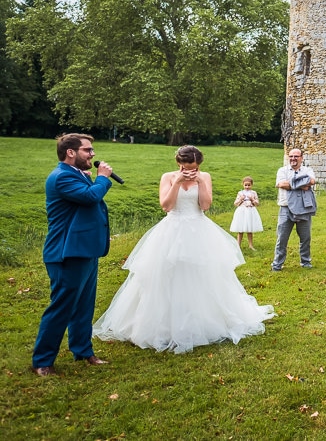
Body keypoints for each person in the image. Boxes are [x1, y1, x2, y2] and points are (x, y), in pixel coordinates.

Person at [93, 146, 274, 354]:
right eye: (186, 167)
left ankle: (203, 320)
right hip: (172, 230)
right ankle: (163, 325)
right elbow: (166, 206)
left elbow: (205, 206)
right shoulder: (168, 177)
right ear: (179, 164)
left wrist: (199, 182)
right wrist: (178, 182)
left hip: (199, 229)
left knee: (201, 274)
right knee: (168, 274)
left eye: (195, 167)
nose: (191, 170)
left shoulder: (204, 176)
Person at [32, 133, 114, 376]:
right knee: (62, 307)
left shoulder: (76, 174)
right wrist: (103, 179)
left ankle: (83, 351)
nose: (93, 154)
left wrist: (91, 179)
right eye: (88, 150)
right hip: (66, 252)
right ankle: (43, 361)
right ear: (71, 152)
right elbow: (90, 198)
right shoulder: (60, 178)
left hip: (85, 250)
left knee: (84, 306)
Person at [271, 148, 316, 271]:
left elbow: (312, 181)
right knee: (282, 238)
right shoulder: (282, 170)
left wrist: (292, 184)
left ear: (301, 158)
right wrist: (302, 184)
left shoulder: (308, 170)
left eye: (296, 156)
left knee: (305, 237)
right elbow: (281, 184)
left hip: (304, 208)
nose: (293, 159)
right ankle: (277, 264)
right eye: (291, 156)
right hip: (286, 208)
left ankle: (305, 262)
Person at [230, 176, 263, 250]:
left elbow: (257, 203)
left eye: (249, 185)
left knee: (249, 229)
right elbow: (235, 203)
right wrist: (241, 199)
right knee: (240, 229)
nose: (247, 187)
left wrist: (252, 200)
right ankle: (238, 245)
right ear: (243, 184)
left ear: (252, 185)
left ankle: (251, 245)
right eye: (245, 185)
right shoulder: (240, 193)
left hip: (250, 211)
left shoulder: (253, 193)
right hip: (242, 211)